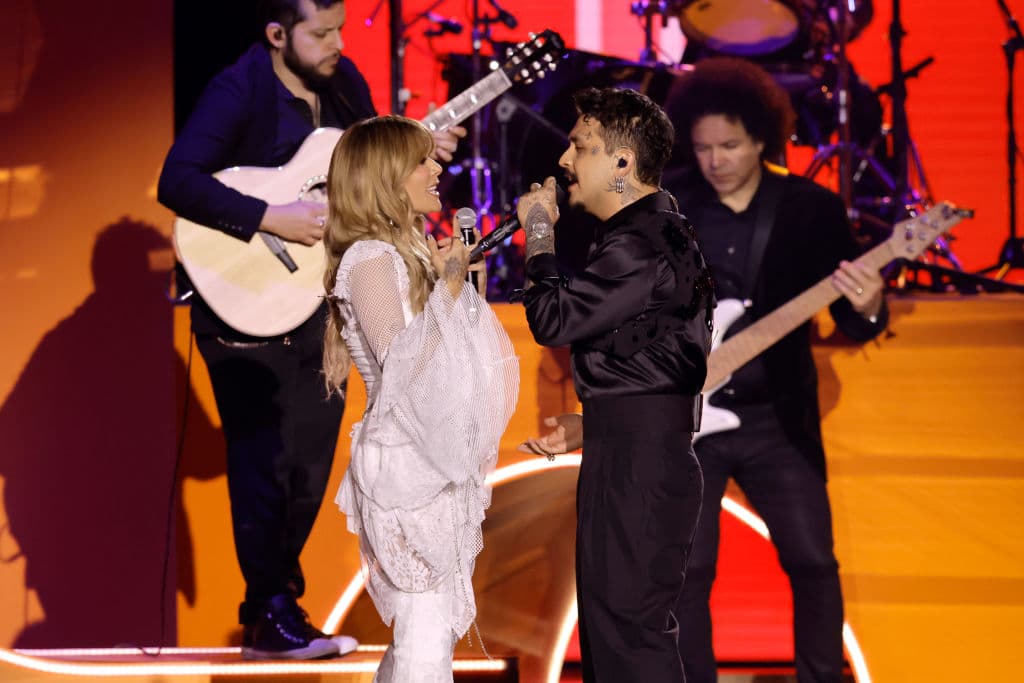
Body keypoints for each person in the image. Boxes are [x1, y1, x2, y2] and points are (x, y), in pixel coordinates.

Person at [157, 0, 464, 660]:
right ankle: (268, 610)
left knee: (310, 462)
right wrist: (270, 215)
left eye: (340, 30)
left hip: (319, 301)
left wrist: (416, 152)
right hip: (245, 299)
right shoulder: (238, 88)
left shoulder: (345, 83)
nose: (335, 44)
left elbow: (368, 168)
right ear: (277, 34)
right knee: (265, 458)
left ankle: (280, 608)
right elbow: (176, 180)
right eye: (319, 33)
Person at [660, 57, 889, 682]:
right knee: (687, 572)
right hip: (688, 420)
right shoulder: (668, 204)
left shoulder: (811, 208)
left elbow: (852, 318)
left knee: (814, 562)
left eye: (730, 145)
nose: (716, 160)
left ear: (763, 137)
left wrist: (867, 305)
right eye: (704, 147)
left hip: (776, 422)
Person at [516, 87, 715, 682]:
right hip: (631, 451)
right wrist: (597, 419)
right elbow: (657, 352)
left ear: (623, 162)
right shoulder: (658, 233)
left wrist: (538, 236)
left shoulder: (642, 242)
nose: (566, 162)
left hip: (639, 466)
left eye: (581, 146)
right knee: (616, 633)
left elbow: (552, 319)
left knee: (628, 636)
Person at [322, 115, 518, 681]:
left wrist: (459, 282)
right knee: (424, 626)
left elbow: (456, 354)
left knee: (428, 626)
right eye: (422, 161)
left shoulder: (401, 249)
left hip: (430, 453)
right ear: (385, 175)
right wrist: (450, 286)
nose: (438, 169)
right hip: (405, 461)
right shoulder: (369, 259)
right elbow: (402, 366)